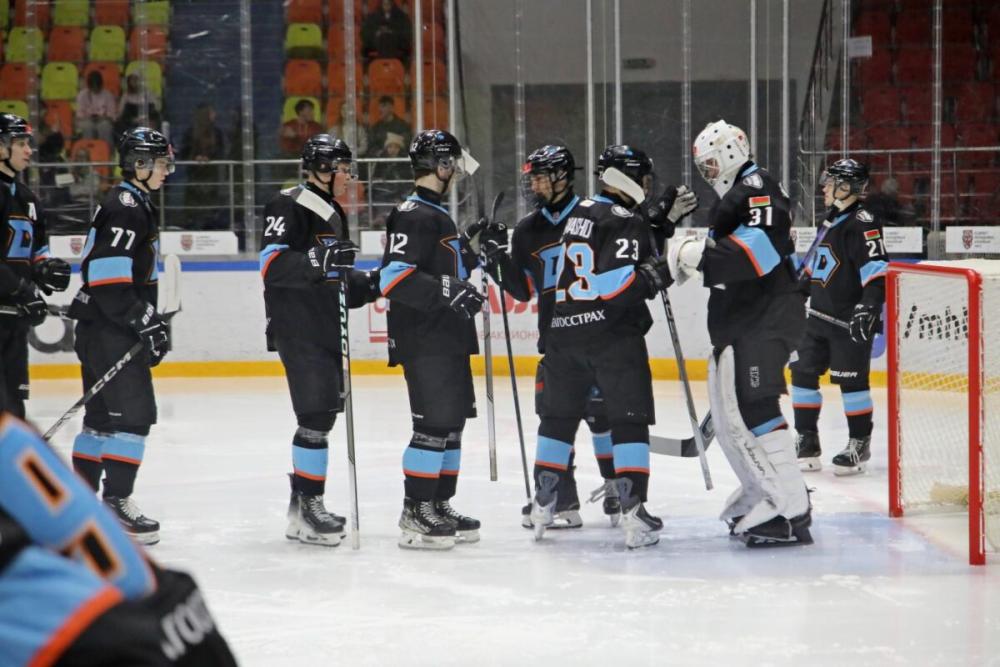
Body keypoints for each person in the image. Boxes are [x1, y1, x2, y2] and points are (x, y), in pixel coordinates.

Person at [0, 413, 238, 666]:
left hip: (113, 631)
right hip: (134, 623)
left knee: (122, 418)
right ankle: (115, 497)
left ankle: (116, 497)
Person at [670, 119, 811, 547]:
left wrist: (698, 254)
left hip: (765, 318)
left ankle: (790, 507)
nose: (708, 173)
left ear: (730, 152)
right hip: (750, 318)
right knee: (736, 411)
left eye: (711, 163)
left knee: (755, 405)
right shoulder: (741, 193)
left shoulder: (756, 187)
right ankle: (764, 490)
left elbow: (759, 253)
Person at [527, 144, 674, 549]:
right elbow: (614, 287)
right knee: (628, 420)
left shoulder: (579, 213)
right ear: (627, 177)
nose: (646, 184)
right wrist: (658, 275)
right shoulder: (624, 219)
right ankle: (633, 511)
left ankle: (543, 502)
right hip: (611, 337)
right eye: (642, 177)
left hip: (564, 334)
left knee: (557, 419)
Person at [260, 134, 380, 547]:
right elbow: (272, 265)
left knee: (323, 415)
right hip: (299, 327)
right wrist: (317, 259)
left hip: (325, 325)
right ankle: (308, 506)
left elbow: (334, 280)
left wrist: (373, 283)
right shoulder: (288, 203)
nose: (348, 176)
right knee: (313, 414)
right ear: (323, 169)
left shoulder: (332, 211)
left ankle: (301, 508)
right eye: (343, 168)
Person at [67, 127, 174, 545]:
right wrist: (141, 317)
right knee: (134, 417)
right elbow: (107, 276)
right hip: (111, 330)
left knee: (98, 421)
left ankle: (80, 505)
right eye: (161, 163)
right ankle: (116, 502)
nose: (166, 170)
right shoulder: (127, 207)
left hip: (99, 328)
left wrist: (143, 317)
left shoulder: (130, 202)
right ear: (139, 164)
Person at [378, 129, 483, 550]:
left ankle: (439, 503)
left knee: (452, 423)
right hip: (424, 338)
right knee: (433, 424)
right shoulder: (413, 213)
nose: (456, 172)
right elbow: (393, 278)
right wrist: (446, 288)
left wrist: (474, 248)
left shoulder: (436, 213)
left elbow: (446, 269)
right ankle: (415, 508)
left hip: (447, 336)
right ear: (441, 165)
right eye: (452, 164)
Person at [791, 159, 887, 476]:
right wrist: (797, 292)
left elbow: (877, 271)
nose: (824, 188)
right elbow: (815, 262)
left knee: (852, 383)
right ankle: (807, 441)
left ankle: (859, 442)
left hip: (848, 323)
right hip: (817, 318)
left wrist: (869, 305)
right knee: (802, 373)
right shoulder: (831, 218)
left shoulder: (863, 223)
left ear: (846, 187)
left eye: (830, 183)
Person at [0, 113, 71, 419]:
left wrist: (45, 269)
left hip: (14, 321)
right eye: (21, 143)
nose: (29, 150)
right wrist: (22, 289)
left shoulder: (29, 200)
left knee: (14, 410)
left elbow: (36, 249)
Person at [179, 102, 226, 229]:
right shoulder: (190, 132)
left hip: (211, 176)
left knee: (210, 207)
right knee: (193, 207)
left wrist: (209, 158)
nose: (215, 115)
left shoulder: (217, 133)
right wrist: (195, 158)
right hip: (195, 176)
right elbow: (183, 153)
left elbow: (221, 152)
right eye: (212, 112)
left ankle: (209, 225)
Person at [361, 0, 413, 65]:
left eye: (388, 3)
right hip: (377, 49)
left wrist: (392, 32)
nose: (386, 6)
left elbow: (406, 35)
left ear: (391, 4)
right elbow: (367, 34)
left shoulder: (401, 17)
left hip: (397, 50)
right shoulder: (373, 17)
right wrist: (378, 33)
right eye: (384, 3)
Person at [75, 69, 118, 147]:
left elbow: (112, 114)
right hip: (86, 119)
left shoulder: (108, 95)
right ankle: (88, 150)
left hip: (103, 120)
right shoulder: (82, 95)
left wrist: (104, 117)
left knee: (104, 126)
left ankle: (106, 150)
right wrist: (88, 118)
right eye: (93, 86)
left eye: (97, 86)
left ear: (101, 85)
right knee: (87, 126)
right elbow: (80, 113)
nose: (95, 89)